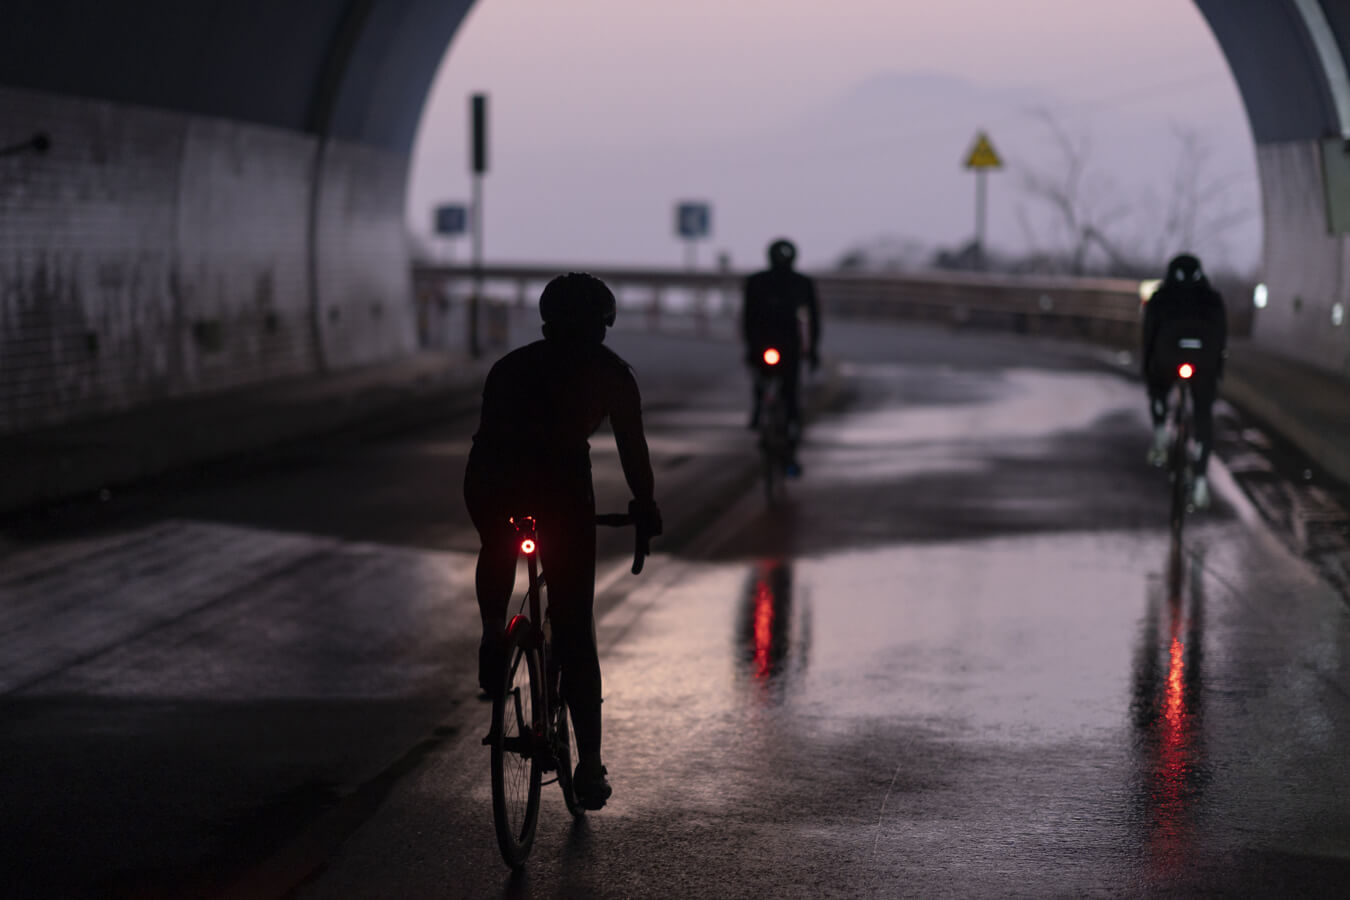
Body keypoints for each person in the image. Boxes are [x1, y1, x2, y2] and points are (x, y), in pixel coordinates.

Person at [464, 272, 663, 810]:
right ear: (603, 326)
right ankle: (591, 767)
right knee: (575, 627)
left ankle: (490, 633)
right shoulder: (611, 373)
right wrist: (644, 507)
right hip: (561, 489)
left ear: (547, 320)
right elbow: (632, 451)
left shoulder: (510, 366)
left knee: (497, 543)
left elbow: (491, 440)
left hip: (490, 479)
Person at [1141, 253, 1227, 509]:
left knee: (1157, 386)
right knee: (1203, 415)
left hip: (1167, 362)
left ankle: (1159, 432)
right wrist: (1218, 370)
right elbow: (1222, 339)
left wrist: (1146, 368)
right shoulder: (1212, 299)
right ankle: (1200, 480)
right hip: (1204, 365)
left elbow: (1148, 337)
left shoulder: (1160, 297)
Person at [741, 238, 822, 473]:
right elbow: (814, 321)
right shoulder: (802, 283)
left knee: (763, 381)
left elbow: (748, 318)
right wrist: (813, 350)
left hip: (762, 345)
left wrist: (749, 347)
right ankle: (790, 448)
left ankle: (759, 413)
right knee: (790, 395)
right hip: (789, 348)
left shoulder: (756, 282)